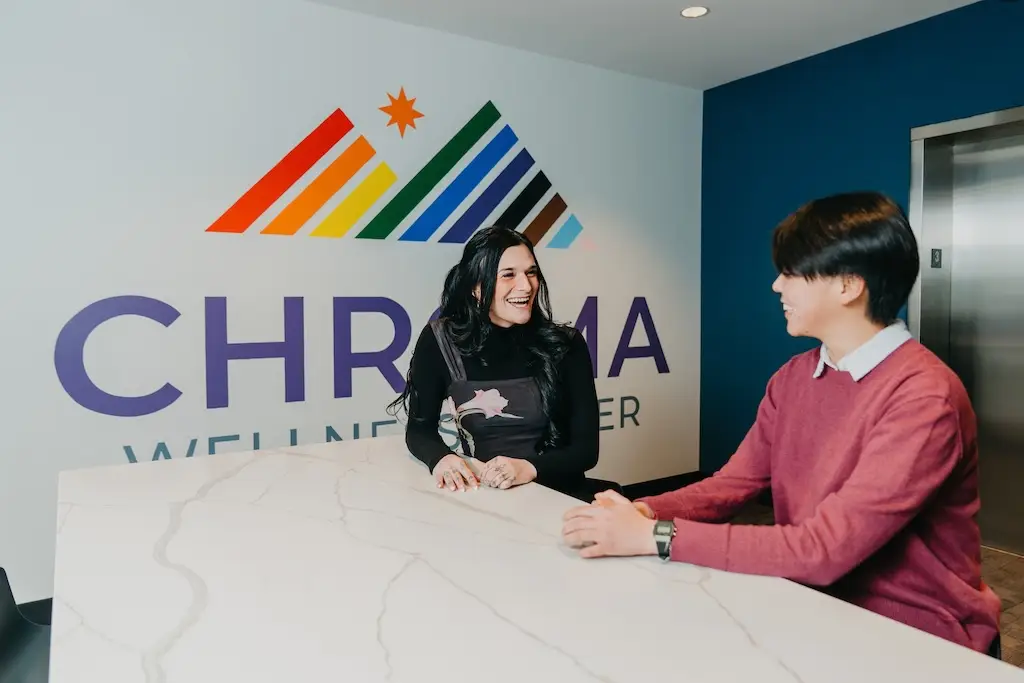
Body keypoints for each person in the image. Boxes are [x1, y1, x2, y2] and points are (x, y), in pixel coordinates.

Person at [561, 191, 1002, 656]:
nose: (777, 286)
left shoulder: (923, 396)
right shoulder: (794, 377)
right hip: (814, 607)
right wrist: (644, 512)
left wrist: (657, 537)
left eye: (791, 273)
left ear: (848, 285)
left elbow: (823, 550)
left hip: (920, 639)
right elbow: (733, 484)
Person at [388, 225, 617, 501]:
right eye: (508, 275)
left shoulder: (566, 344)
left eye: (531, 273)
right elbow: (420, 430)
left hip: (560, 498)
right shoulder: (440, 341)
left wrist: (528, 468)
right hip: (490, 500)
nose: (526, 286)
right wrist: (441, 458)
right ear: (475, 287)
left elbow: (585, 451)